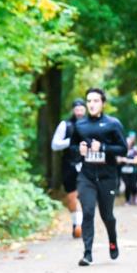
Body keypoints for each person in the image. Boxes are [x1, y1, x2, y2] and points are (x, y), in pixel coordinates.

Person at [68, 88, 128, 266]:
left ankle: (112, 239)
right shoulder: (80, 125)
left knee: (107, 215)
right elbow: (71, 149)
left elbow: (123, 148)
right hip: (86, 176)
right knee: (87, 212)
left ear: (102, 103)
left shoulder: (112, 123)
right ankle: (87, 253)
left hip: (107, 176)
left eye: (95, 101)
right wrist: (79, 150)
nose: (91, 104)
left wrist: (102, 148)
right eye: (89, 101)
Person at [51, 99, 87, 238]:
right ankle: (75, 224)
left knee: (85, 195)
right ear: (73, 110)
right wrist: (71, 141)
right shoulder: (65, 125)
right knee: (71, 196)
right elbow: (55, 145)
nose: (79, 112)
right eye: (76, 109)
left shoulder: (91, 124)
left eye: (81, 109)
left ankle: (82, 224)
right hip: (69, 164)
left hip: (87, 164)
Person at [117, 131, 137, 205]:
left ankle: (135, 196)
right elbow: (118, 160)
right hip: (124, 171)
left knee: (133, 185)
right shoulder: (121, 150)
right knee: (127, 185)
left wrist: (126, 160)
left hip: (134, 170)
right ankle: (127, 200)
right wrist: (121, 160)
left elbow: (136, 160)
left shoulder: (135, 149)